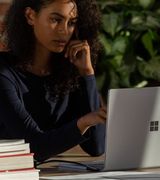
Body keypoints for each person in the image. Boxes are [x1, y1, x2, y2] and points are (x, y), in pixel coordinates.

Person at [0, 0, 106, 161]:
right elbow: (33, 148)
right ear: (30, 16)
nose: (64, 31)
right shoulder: (4, 73)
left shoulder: (69, 72)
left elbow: (96, 147)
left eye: (71, 23)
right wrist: (83, 123)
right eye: (55, 20)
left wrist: (87, 74)